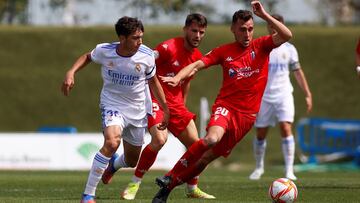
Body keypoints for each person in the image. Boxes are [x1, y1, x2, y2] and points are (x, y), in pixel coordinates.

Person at [152, 1, 293, 202]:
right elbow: (196, 65)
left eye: (250, 29)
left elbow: (287, 35)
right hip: (225, 108)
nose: (247, 34)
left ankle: (167, 188)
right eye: (242, 29)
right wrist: (177, 78)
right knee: (211, 139)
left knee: (205, 160)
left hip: (246, 117)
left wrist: (264, 15)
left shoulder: (262, 46)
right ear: (233, 29)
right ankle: (169, 175)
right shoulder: (224, 51)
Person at [100, 13, 215, 200]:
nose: (198, 36)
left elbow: (186, 82)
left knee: (197, 147)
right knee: (160, 140)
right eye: (194, 31)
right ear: (185, 29)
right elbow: (145, 64)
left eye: (202, 32)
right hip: (155, 101)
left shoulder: (196, 56)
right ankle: (134, 183)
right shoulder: (168, 47)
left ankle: (191, 187)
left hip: (177, 106)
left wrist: (182, 106)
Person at [61, 16, 169, 203]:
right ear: (122, 37)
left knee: (132, 160)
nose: (140, 41)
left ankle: (113, 165)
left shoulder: (146, 55)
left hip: (137, 110)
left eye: (141, 36)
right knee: (111, 143)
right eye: (136, 37)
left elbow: (153, 81)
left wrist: (165, 109)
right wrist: (71, 72)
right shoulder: (105, 50)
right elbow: (87, 57)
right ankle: (88, 194)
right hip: (112, 104)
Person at [248, 14, 312, 181]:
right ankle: (259, 167)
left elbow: (297, 72)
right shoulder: (262, 47)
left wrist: (307, 93)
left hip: (284, 94)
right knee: (261, 133)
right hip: (264, 96)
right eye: (271, 25)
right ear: (269, 27)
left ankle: (289, 170)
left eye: (277, 25)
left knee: (286, 128)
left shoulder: (290, 49)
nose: (274, 28)